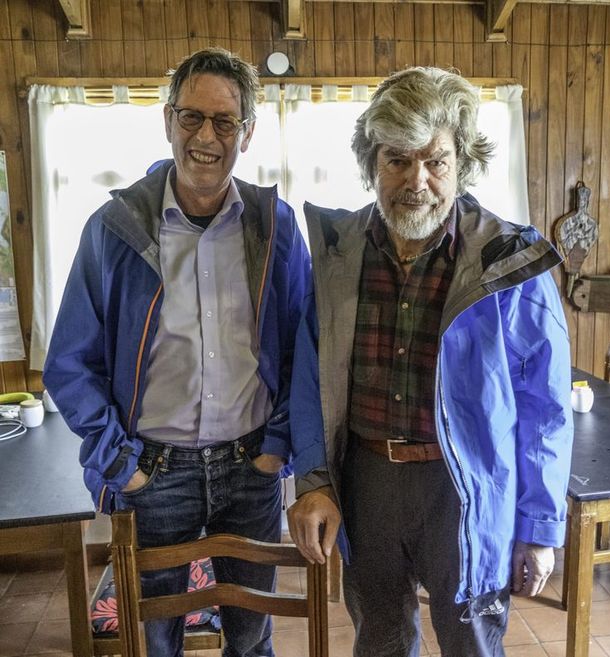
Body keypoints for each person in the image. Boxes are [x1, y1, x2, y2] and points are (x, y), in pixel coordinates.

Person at [287, 67, 574, 657]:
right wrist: (314, 479)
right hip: (367, 485)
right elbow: (309, 383)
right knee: (380, 642)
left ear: (461, 164)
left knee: (471, 642)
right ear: (372, 162)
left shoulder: (509, 262)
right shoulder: (339, 256)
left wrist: (539, 527)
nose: (416, 180)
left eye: (435, 161)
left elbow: (545, 409)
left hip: (466, 489)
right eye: (397, 159)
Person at [43, 48, 309, 657]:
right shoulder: (114, 228)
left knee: (251, 641)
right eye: (192, 118)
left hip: (252, 470)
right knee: (154, 643)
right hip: (153, 474)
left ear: (247, 133)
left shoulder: (276, 227)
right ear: (167, 121)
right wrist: (121, 464)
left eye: (223, 122)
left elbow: (303, 349)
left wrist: (277, 450)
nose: (205, 137)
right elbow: (68, 361)